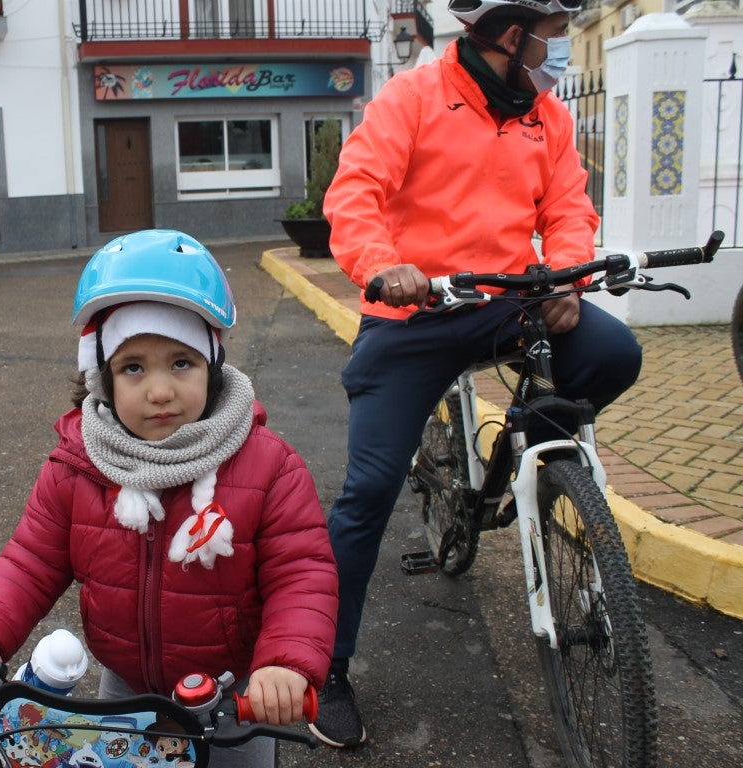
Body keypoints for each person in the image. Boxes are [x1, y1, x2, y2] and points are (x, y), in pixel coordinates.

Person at [309, 0, 644, 749]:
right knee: (367, 490)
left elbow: (568, 208)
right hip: (416, 306)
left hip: (512, 301)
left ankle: (534, 456)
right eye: (552, 33)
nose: (561, 48)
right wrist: (381, 266)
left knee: (614, 354)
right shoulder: (413, 99)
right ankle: (323, 665)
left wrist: (566, 281)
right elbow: (355, 193)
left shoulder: (548, 115)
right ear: (507, 31)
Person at [0, 229, 339, 768]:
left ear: (212, 367)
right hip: (124, 684)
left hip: (234, 694)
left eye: (181, 363)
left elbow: (302, 573)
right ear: (102, 378)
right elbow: (31, 560)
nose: (160, 390)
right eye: (133, 367)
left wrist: (285, 664)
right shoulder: (78, 466)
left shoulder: (269, 466)